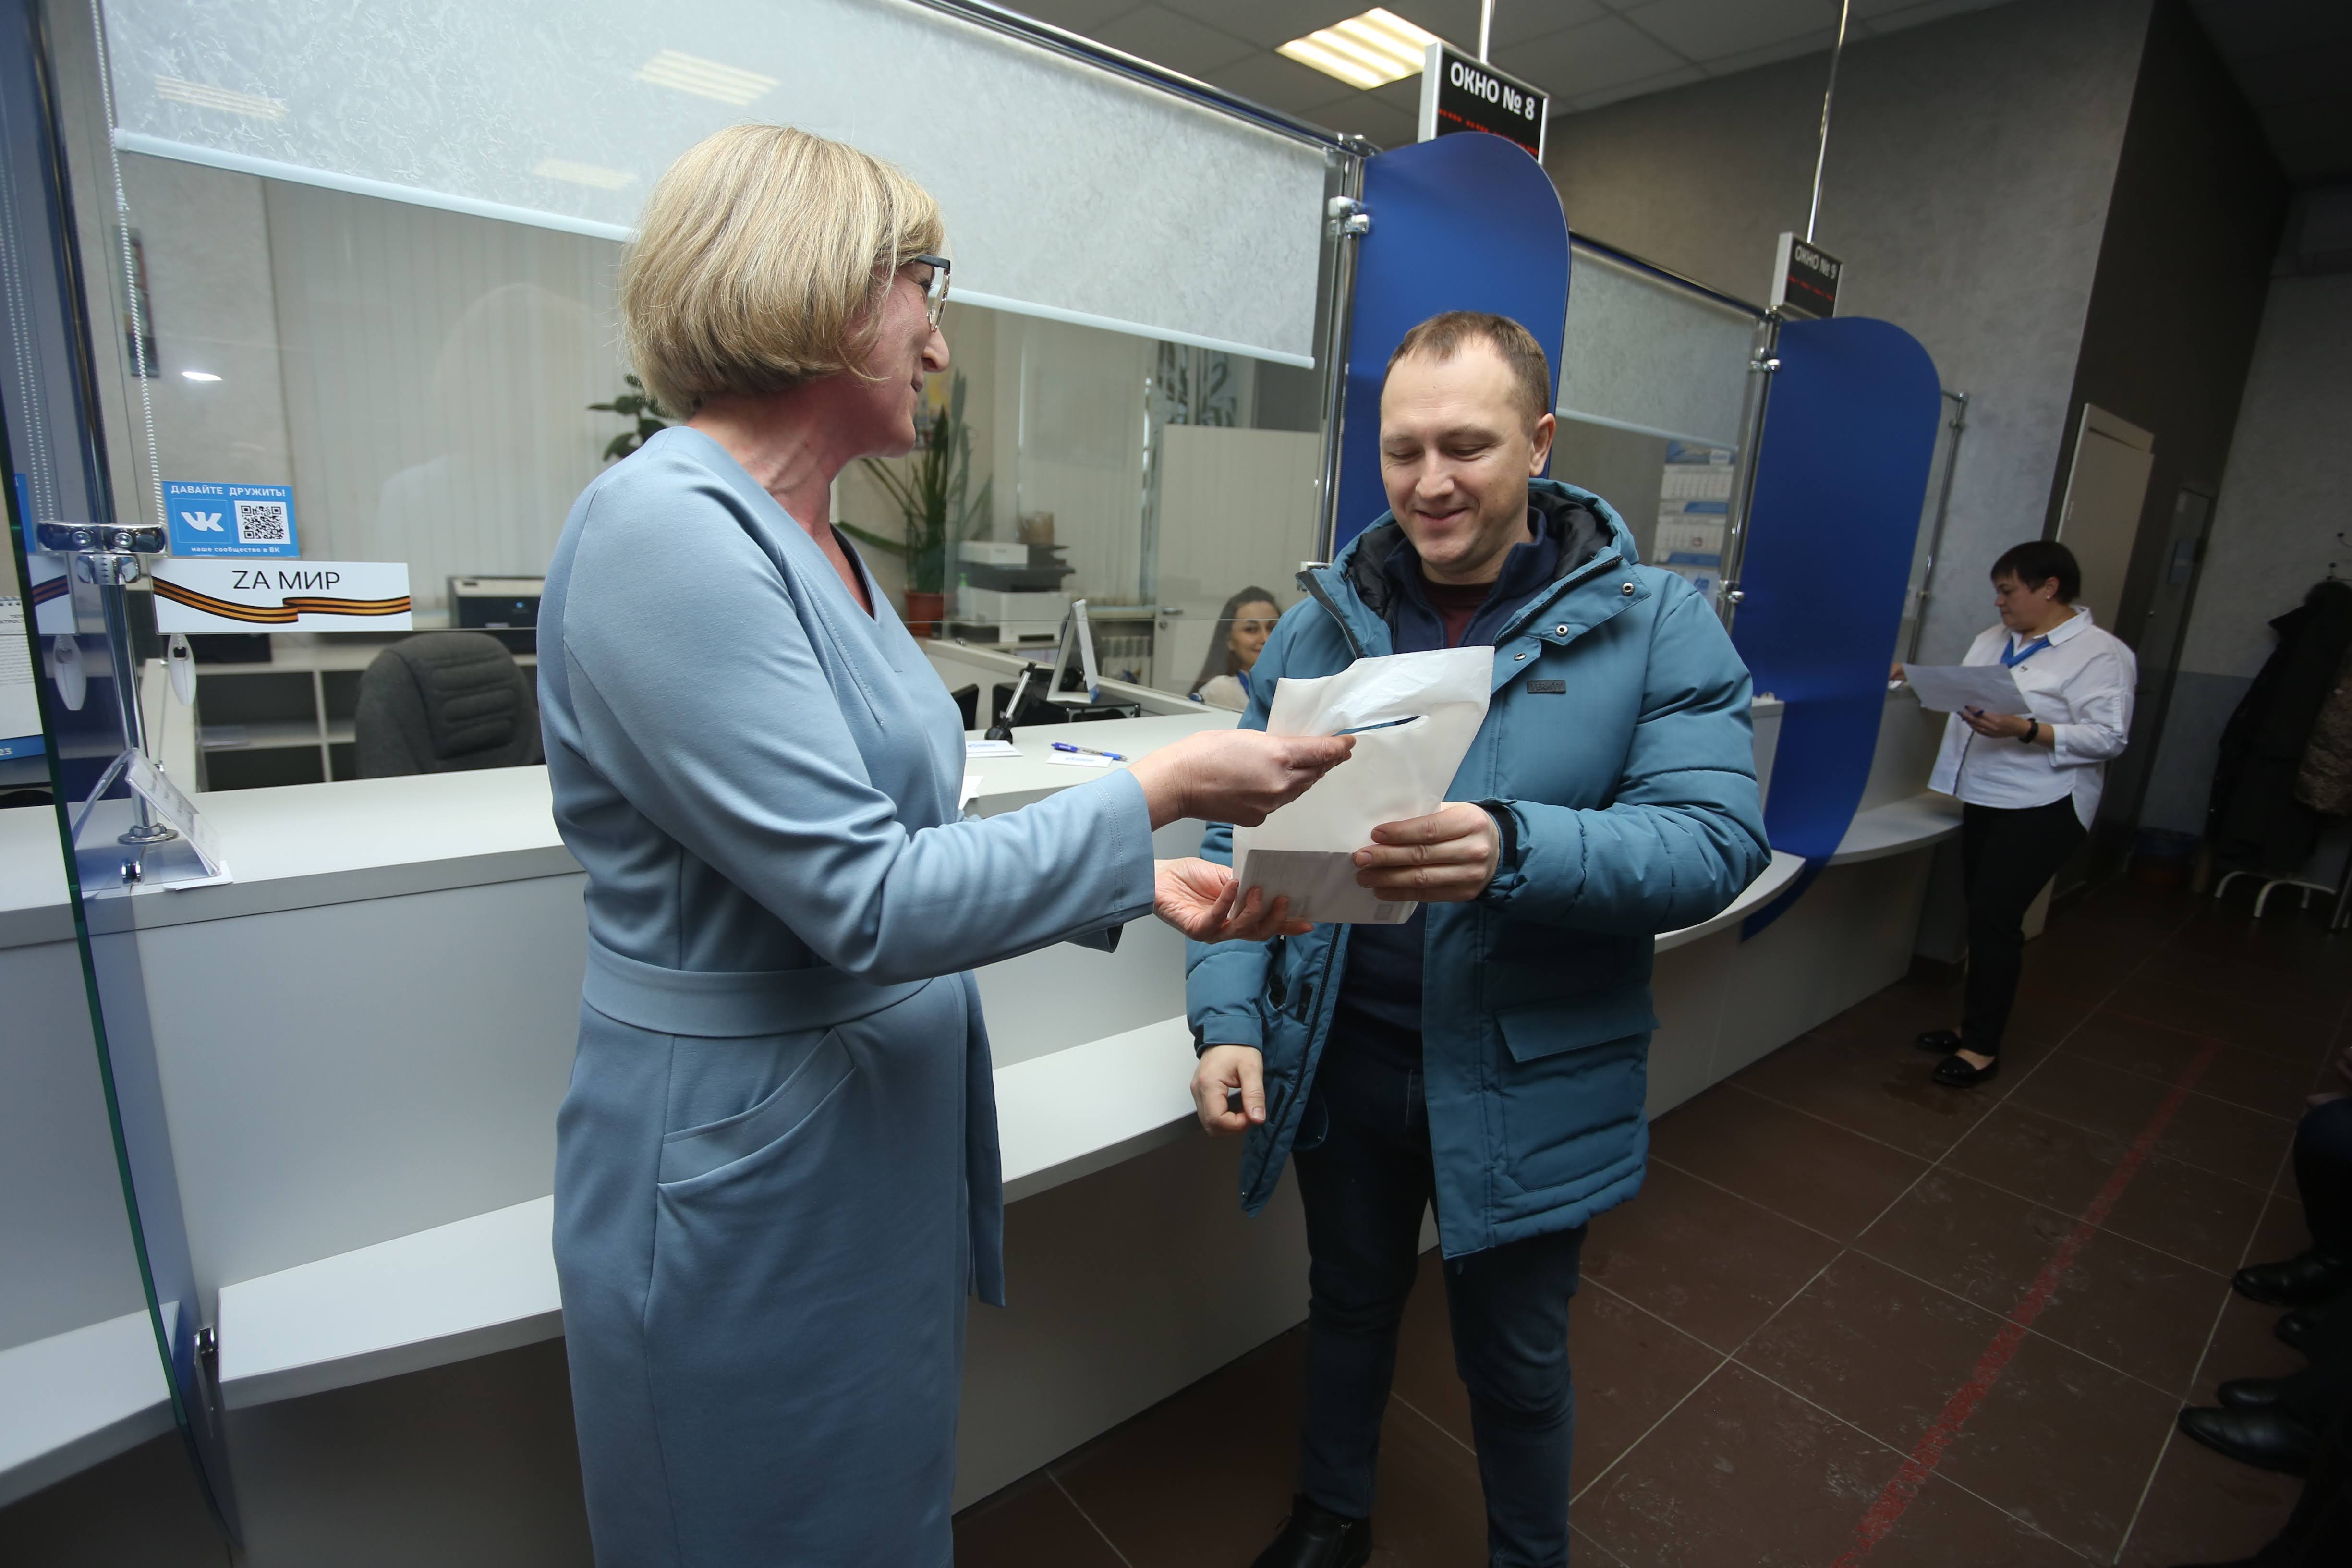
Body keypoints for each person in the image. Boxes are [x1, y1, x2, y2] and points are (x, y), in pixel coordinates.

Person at [536, 125, 1351, 1567]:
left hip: (857, 1147)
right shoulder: (662, 531)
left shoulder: (819, 540)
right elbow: (868, 898)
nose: (939, 341)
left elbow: (887, 837)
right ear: (817, 286)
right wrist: (1159, 786)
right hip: (750, 1167)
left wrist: (1133, 873)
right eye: (926, 285)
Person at [1185, 312, 1771, 1568]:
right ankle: (1331, 1513)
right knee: (1347, 1303)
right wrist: (1228, 1015)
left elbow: (1716, 840)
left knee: (1515, 1355)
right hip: (1342, 1056)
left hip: (1525, 1070)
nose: (1430, 482)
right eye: (1403, 451)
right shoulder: (1322, 621)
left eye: (1467, 446)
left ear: (1540, 442)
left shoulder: (1652, 622)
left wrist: (1517, 848)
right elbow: (1242, 841)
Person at [1909, 541, 2135, 1087]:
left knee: (1995, 916)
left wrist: (2026, 730)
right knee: (1982, 913)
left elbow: (2109, 737)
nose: (1999, 602)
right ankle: (1971, 1027)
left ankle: (1982, 1048)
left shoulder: (2100, 654)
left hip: (2045, 803)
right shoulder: (1993, 639)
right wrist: (1917, 678)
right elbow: (1966, 687)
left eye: (2007, 590)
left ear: (2049, 587)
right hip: (1985, 793)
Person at [1191, 586, 1282, 711]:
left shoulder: (1286, 685)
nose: (1266, 639)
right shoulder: (1222, 688)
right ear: (1229, 640)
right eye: (1251, 629)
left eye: (1272, 628)